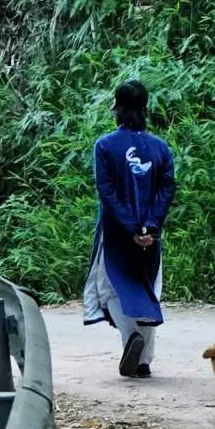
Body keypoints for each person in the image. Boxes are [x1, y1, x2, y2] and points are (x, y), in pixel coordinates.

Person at [83, 80, 176, 379]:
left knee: (111, 289)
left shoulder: (105, 146)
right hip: (152, 235)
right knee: (148, 288)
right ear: (145, 110)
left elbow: (106, 192)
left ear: (117, 109)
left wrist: (131, 227)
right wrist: (150, 225)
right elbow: (166, 189)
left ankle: (130, 338)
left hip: (115, 233)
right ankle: (144, 361)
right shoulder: (161, 148)